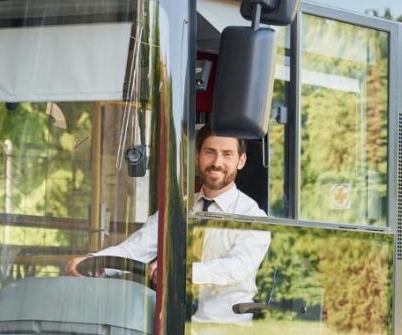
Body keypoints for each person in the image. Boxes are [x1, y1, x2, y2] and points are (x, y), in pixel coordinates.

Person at [66, 126, 270, 324]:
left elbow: (236, 268)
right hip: (170, 331)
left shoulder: (252, 216)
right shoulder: (177, 208)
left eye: (227, 154)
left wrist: (178, 271)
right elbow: (136, 248)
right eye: (210, 152)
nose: (217, 162)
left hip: (222, 333)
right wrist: (94, 261)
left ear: (241, 160)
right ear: (197, 156)